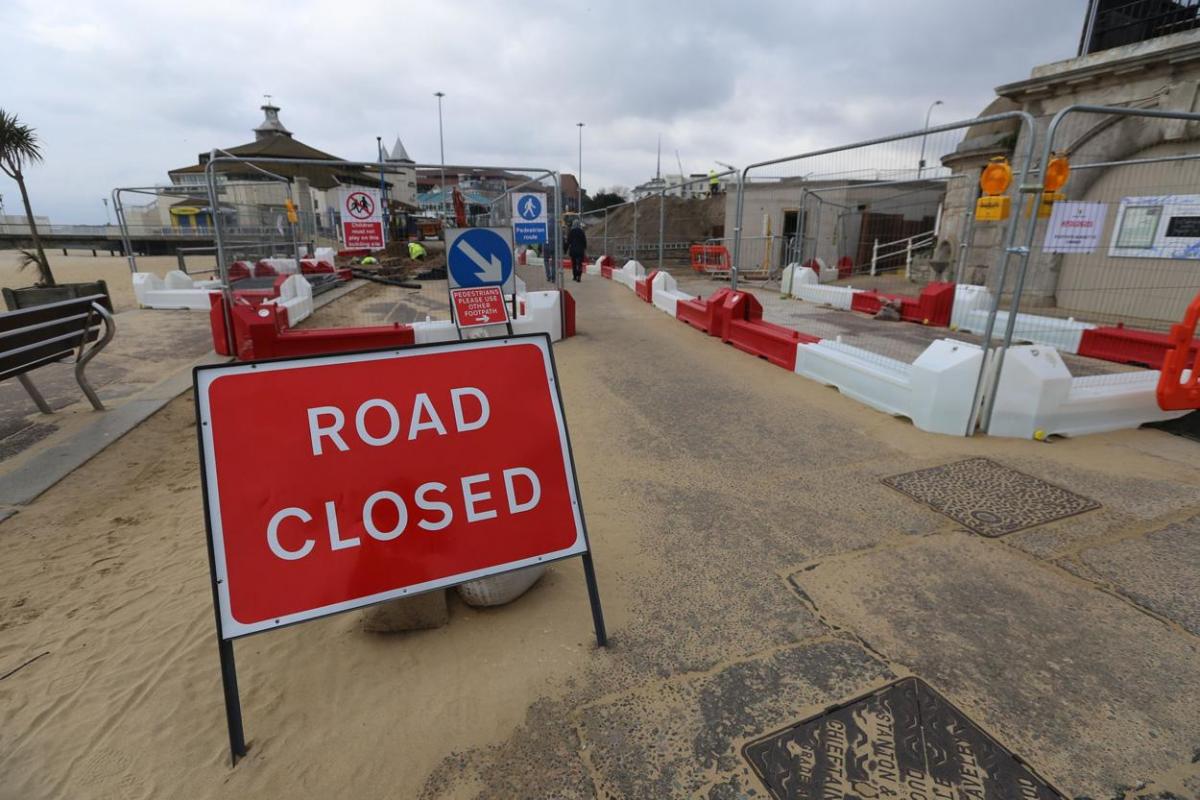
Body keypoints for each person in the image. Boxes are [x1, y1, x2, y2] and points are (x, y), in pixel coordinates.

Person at [566, 219, 587, 283]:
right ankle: (579, 276)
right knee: (580, 264)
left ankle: (575, 276)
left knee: (574, 264)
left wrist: (565, 249)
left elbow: (568, 241)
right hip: (580, 251)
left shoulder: (571, 232)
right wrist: (585, 248)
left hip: (573, 251)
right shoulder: (582, 232)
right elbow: (584, 241)